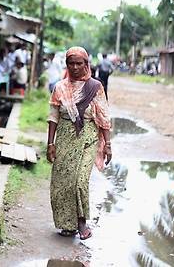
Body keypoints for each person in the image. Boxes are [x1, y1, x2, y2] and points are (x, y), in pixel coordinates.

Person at [46, 46, 112, 240]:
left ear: (86, 64)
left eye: (79, 63)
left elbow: (104, 117)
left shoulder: (95, 87)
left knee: (80, 180)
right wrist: (51, 144)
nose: (75, 67)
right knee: (63, 182)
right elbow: (53, 116)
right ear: (66, 65)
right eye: (71, 63)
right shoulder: (60, 87)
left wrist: (107, 144)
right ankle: (67, 224)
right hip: (65, 136)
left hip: (88, 137)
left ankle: (82, 222)